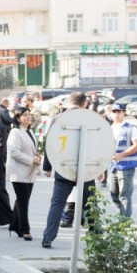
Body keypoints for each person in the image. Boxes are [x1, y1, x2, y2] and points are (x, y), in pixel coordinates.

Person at [40, 93, 97, 249]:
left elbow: (49, 142)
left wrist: (47, 166)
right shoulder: (89, 117)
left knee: (57, 204)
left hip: (63, 167)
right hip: (86, 168)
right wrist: (99, 166)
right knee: (90, 203)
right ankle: (96, 237)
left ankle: (48, 238)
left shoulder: (58, 117)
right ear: (84, 103)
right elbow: (96, 142)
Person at [5, 107, 41, 241]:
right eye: (24, 115)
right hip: (19, 172)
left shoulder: (30, 131)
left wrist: (37, 156)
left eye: (29, 115)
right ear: (18, 118)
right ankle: (25, 229)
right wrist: (32, 160)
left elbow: (31, 149)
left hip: (30, 171)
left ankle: (14, 225)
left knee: (22, 200)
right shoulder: (15, 132)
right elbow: (14, 152)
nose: (28, 117)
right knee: (23, 201)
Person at [108, 106, 137, 218]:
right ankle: (121, 214)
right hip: (113, 166)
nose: (117, 114)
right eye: (114, 112)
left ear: (124, 113)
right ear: (110, 114)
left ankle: (124, 221)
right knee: (113, 193)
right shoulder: (109, 128)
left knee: (125, 195)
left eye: (119, 112)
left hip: (126, 167)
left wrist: (121, 155)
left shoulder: (131, 128)